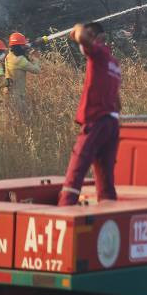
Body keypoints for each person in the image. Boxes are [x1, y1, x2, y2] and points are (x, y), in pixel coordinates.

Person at [58, 21, 122, 206]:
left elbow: (81, 37)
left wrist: (77, 28)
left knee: (78, 166)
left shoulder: (99, 54)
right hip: (112, 124)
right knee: (105, 175)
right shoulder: (114, 64)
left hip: (97, 121)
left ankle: (65, 209)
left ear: (95, 36)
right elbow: (117, 101)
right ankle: (108, 210)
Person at [5, 32, 41, 110]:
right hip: (18, 96)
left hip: (9, 93)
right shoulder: (20, 60)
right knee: (23, 117)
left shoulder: (9, 56)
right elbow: (37, 70)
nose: (24, 47)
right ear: (18, 47)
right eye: (22, 45)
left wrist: (27, 52)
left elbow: (21, 54)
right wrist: (36, 57)